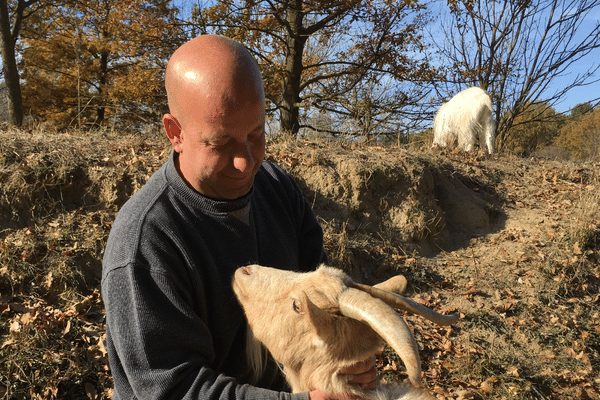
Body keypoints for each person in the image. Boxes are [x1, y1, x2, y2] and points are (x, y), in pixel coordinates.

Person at [101, 35, 376, 400]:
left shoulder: (277, 188)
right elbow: (174, 389)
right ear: (176, 133)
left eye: (256, 133)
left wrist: (348, 357)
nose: (246, 161)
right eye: (220, 142)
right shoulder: (145, 245)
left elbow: (320, 298)